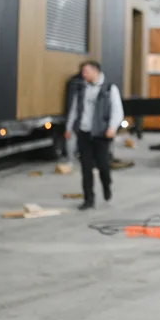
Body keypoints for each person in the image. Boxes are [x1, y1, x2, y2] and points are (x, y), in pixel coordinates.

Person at [65, 61, 125, 211]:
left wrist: (112, 127)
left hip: (101, 134)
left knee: (103, 165)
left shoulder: (109, 89)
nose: (83, 74)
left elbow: (117, 110)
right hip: (84, 133)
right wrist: (69, 127)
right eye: (83, 72)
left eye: (86, 71)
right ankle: (88, 199)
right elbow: (74, 109)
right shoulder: (81, 89)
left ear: (96, 71)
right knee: (86, 168)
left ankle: (106, 186)